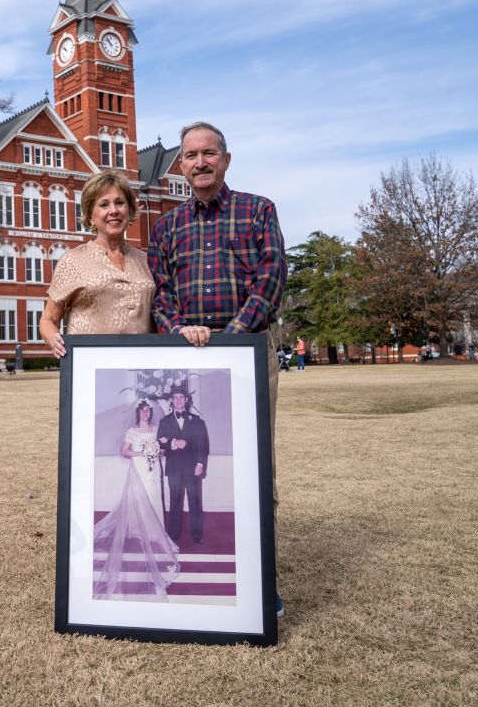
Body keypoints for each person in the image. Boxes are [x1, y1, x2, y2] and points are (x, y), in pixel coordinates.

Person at [147, 121, 287, 616]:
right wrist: (179, 329)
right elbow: (160, 291)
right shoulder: (165, 227)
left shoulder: (258, 209)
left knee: (254, 462)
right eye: (191, 156)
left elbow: (272, 275)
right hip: (185, 350)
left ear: (226, 159)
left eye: (209, 153)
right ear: (180, 165)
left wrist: (234, 335)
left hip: (247, 345)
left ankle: (260, 583)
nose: (200, 162)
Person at [39, 171, 154, 356]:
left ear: (130, 210)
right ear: (91, 216)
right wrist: (57, 343)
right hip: (92, 366)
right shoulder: (73, 261)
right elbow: (48, 320)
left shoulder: (147, 261)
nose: (113, 210)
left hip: (140, 366)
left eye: (120, 202)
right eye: (103, 204)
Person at [93, 400, 181, 600]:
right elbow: (124, 451)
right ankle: (136, 528)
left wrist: (157, 450)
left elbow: (164, 449)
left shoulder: (157, 429)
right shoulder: (132, 431)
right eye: (143, 410)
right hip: (139, 467)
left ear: (150, 412)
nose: (146, 413)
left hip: (153, 468)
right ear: (138, 412)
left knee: (153, 496)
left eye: (148, 410)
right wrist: (143, 452)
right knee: (139, 498)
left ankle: (154, 529)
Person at [154, 383, 210, 544]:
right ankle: (173, 536)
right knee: (175, 502)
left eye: (181, 398)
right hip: (174, 469)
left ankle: (197, 536)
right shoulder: (165, 421)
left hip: (193, 468)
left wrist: (200, 464)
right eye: (175, 398)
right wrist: (173, 443)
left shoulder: (197, 421)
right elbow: (160, 441)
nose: (178, 401)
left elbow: (203, 445)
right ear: (171, 401)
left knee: (195, 501)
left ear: (186, 400)